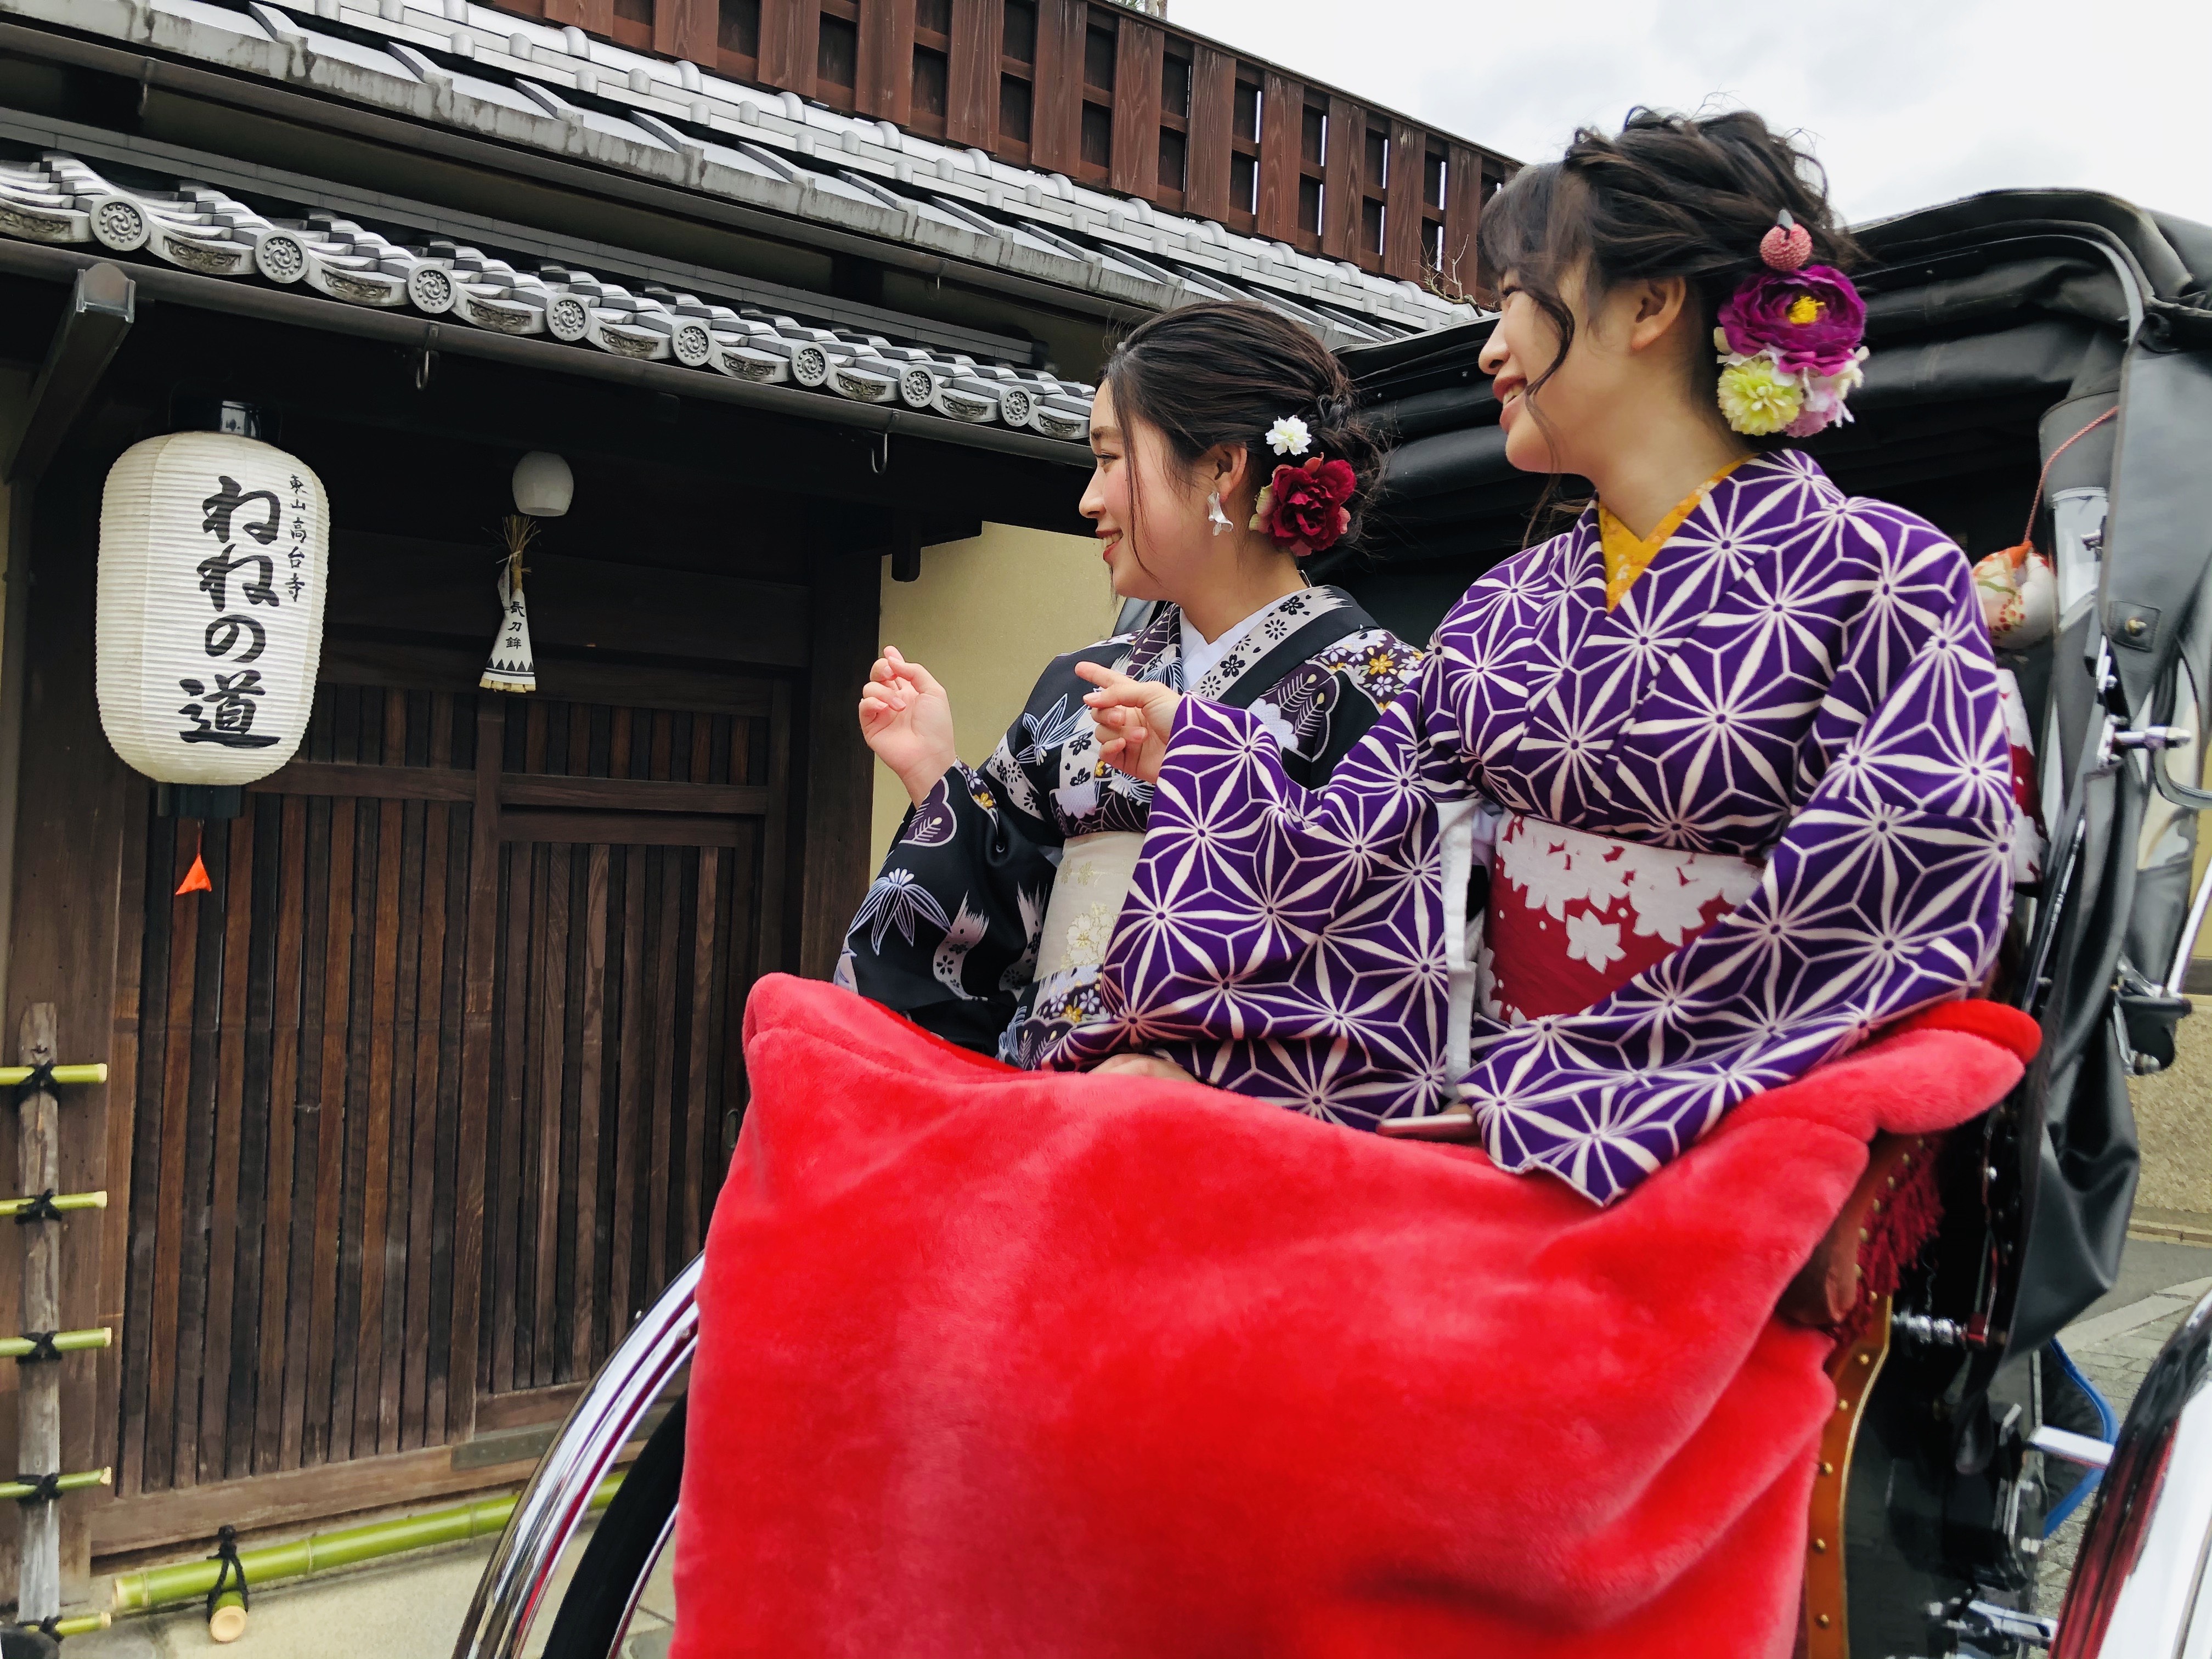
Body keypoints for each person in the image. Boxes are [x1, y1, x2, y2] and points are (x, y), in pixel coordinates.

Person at [1058, 108, 2019, 1206]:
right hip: (1501, 1111)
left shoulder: (1879, 575)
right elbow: (1364, 854)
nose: (1490, 347)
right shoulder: (1503, 606)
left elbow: (1895, 879)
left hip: (1724, 1123)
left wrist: (1589, 1083)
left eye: (1513, 298)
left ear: (1650, 304)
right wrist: (1215, 762)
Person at [836, 301, 1425, 1063]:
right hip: (1049, 1117)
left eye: (1111, 458)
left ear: (1221, 466)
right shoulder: (1079, 684)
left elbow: (1381, 948)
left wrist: (1207, 765)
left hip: (1218, 1131)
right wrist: (942, 787)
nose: (1088, 498)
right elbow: (993, 931)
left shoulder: (1387, 692)